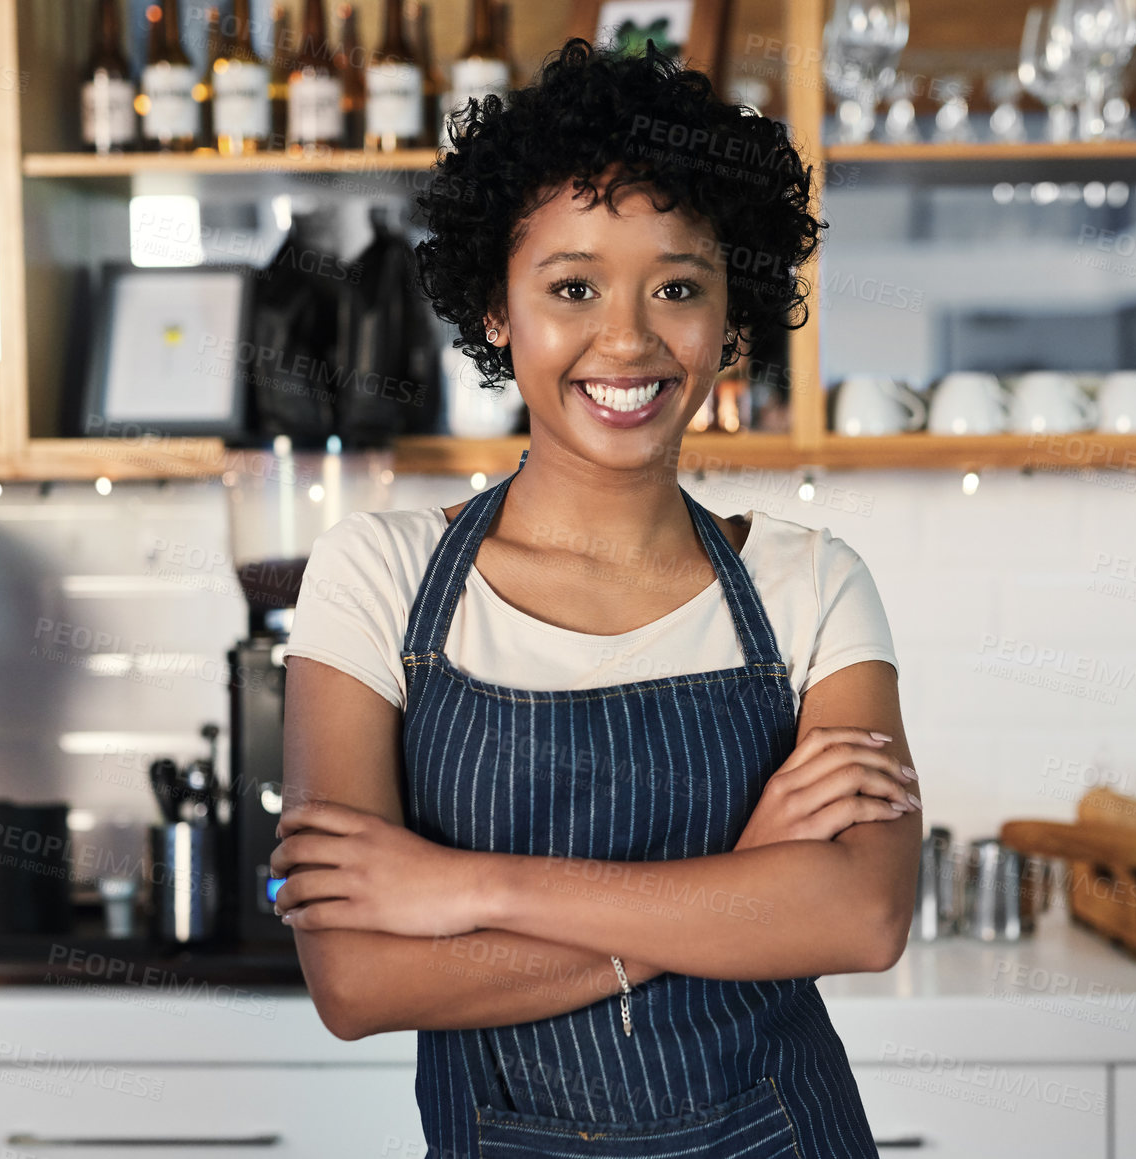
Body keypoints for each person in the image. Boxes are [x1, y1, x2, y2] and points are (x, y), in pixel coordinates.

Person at [273, 36, 920, 1158]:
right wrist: (735, 896)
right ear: (494, 309)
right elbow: (359, 980)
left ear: (732, 319)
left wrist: (463, 886)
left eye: (678, 286)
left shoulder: (810, 584)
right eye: (571, 287)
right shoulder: (376, 577)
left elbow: (858, 917)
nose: (625, 338)